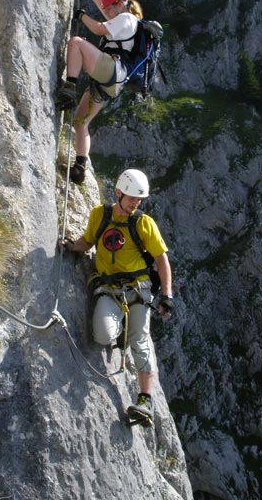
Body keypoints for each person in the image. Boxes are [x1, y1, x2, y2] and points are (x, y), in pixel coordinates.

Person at [60, 169, 174, 421]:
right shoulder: (100, 214)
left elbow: (161, 260)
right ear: (119, 193)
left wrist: (167, 295)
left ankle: (145, 400)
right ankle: (119, 329)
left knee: (139, 340)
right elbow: (88, 241)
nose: (136, 203)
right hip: (108, 287)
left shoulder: (144, 223)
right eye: (133, 197)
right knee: (102, 336)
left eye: (139, 199)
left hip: (138, 288)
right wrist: (70, 246)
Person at [56, 0, 143, 185]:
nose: (107, 11)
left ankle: (70, 86)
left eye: (110, 8)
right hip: (111, 83)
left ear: (120, 4)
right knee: (80, 122)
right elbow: (100, 1)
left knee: (76, 43)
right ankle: (80, 168)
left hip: (112, 69)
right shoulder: (121, 18)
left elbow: (97, 29)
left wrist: (81, 16)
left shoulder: (127, 19)